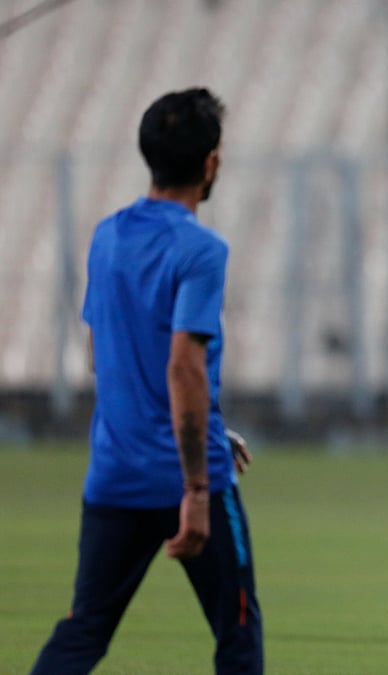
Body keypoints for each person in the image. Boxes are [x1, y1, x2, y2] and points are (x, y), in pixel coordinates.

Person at [31, 88, 263, 675]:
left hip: (114, 476)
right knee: (238, 636)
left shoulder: (108, 236)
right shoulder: (201, 248)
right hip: (191, 478)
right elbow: (183, 364)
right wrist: (195, 488)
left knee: (84, 632)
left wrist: (207, 424)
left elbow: (101, 355)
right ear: (211, 162)